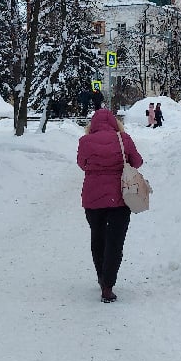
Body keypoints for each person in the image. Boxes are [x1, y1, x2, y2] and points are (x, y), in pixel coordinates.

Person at [76, 108, 144, 303]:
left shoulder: (85, 141)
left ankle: (101, 276)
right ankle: (108, 285)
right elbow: (137, 162)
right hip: (120, 198)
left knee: (97, 238)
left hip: (92, 199)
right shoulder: (124, 139)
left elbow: (82, 164)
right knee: (115, 242)